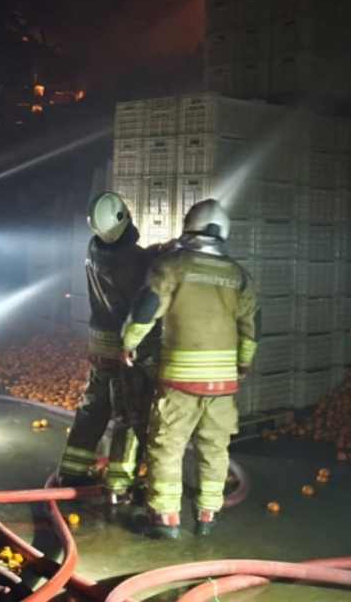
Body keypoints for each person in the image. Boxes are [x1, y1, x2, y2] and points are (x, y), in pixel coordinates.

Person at [120, 199, 259, 539]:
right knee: (215, 448)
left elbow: (145, 310)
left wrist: (129, 343)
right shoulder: (239, 276)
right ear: (223, 232)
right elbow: (251, 326)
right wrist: (243, 364)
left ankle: (166, 518)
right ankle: (208, 515)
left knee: (167, 446)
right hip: (223, 383)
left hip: (180, 381)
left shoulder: (171, 266)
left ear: (188, 227)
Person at [57, 192, 161, 505]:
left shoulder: (95, 249)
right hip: (123, 345)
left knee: (94, 405)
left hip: (98, 340)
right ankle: (120, 482)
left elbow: (129, 257)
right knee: (129, 412)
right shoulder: (134, 261)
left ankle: (72, 469)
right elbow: (144, 282)